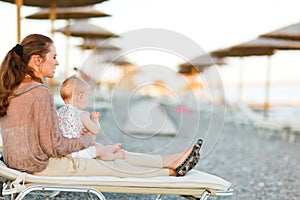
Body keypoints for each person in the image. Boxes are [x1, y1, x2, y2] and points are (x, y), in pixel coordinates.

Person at [0, 33, 202, 178]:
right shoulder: (38, 92)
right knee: (114, 165)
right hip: (42, 166)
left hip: (18, 163)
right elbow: (54, 147)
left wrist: (91, 146)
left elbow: (44, 141)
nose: (57, 63)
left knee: (113, 154)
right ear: (37, 59)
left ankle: (171, 159)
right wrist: (89, 140)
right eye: (53, 57)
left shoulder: (12, 88)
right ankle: (170, 171)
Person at [58, 75, 124, 160]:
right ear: (80, 97)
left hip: (64, 151)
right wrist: (94, 119)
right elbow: (96, 130)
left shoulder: (60, 112)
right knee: (99, 148)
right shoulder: (81, 114)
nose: (88, 101)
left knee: (95, 146)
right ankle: (115, 156)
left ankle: (110, 149)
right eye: (88, 97)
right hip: (77, 153)